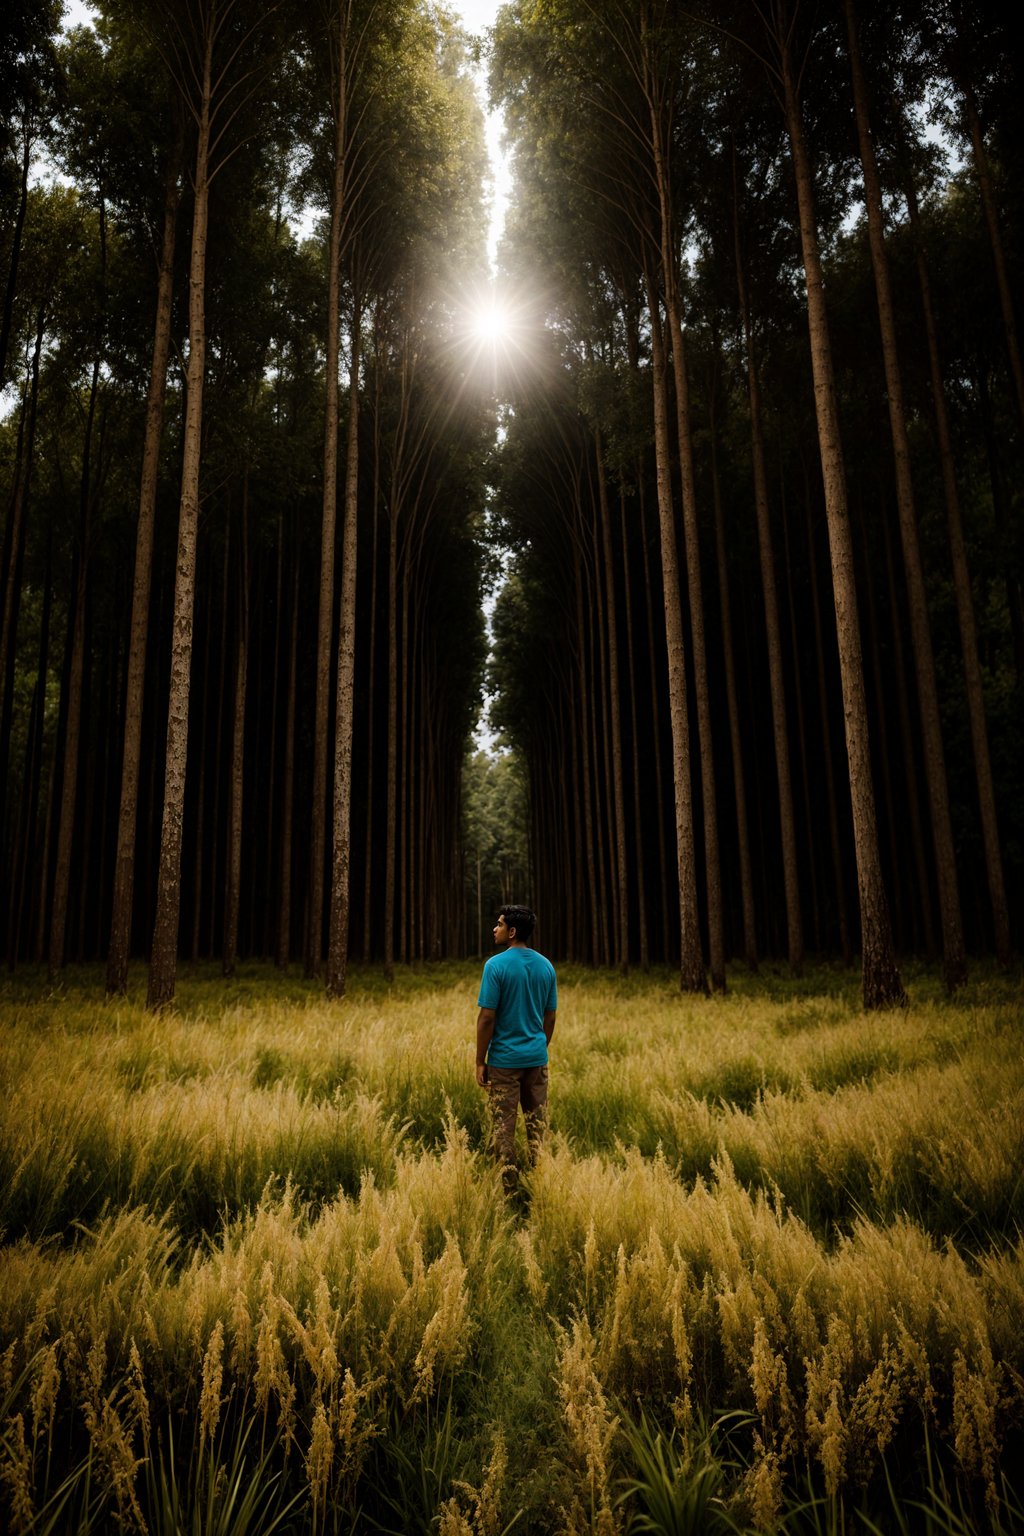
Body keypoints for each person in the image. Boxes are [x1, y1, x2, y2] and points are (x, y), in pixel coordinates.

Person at [475, 904, 557, 1196]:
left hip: (504, 1063)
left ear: (511, 932)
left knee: (503, 1128)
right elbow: (550, 1017)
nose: (493, 929)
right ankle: (539, 1186)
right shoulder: (546, 966)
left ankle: (508, 1191)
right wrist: (538, 1045)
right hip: (536, 1060)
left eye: (498, 924)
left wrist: (479, 1061)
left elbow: (487, 1017)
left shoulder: (495, 966)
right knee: (537, 1125)